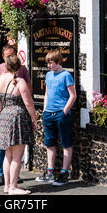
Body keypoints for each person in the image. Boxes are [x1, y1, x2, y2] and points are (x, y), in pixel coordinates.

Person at [0, 44, 32, 186]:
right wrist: (4, 79)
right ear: (3, 57)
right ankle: (1, 174)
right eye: (8, 55)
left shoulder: (23, 70)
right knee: (5, 148)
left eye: (13, 54)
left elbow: (29, 88)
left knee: (11, 151)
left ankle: (12, 178)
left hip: (8, 112)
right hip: (5, 114)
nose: (11, 57)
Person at [0, 53, 37, 195]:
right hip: (18, 117)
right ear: (18, 66)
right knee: (17, 156)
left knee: (8, 155)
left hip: (5, 116)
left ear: (6, 66)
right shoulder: (20, 81)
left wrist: (4, 109)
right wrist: (34, 119)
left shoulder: (0, 79)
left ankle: (7, 186)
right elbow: (28, 103)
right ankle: (13, 187)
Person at [35, 50, 76, 186]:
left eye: (51, 63)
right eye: (48, 63)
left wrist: (64, 112)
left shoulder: (66, 75)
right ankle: (50, 172)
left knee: (66, 143)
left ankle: (64, 173)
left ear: (58, 61)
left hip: (61, 113)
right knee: (49, 143)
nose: (49, 66)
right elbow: (46, 93)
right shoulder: (48, 75)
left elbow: (73, 96)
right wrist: (45, 109)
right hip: (49, 113)